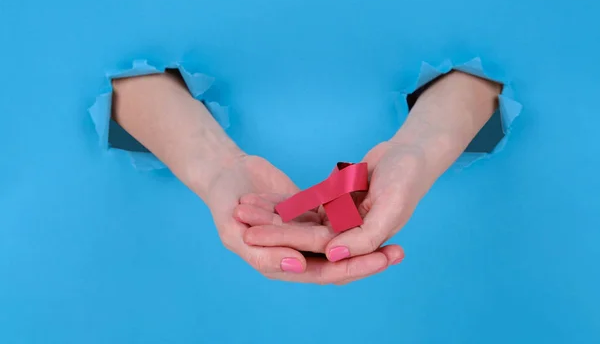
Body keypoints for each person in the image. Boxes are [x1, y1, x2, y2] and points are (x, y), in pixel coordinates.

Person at [111, 69, 501, 285]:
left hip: (465, 212)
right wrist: (218, 169)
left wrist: (419, 149)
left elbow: (507, 54)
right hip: (163, 228)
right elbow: (116, 72)